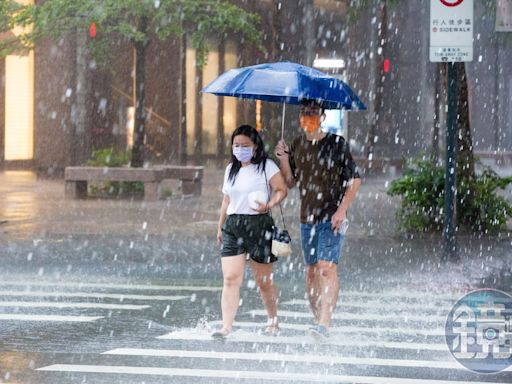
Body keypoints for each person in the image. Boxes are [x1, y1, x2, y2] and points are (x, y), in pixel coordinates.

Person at [274, 101, 361, 339]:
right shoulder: (298, 145)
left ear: (322, 116)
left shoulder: (336, 144)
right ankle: (318, 320)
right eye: (304, 113)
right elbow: (291, 182)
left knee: (326, 269)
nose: (308, 117)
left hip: (332, 217)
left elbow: (355, 179)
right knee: (312, 271)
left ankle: (325, 323)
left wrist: (342, 210)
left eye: (313, 113)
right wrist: (283, 158)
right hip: (307, 219)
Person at [212, 124, 288, 339]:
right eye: (236, 145)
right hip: (233, 226)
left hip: (259, 225)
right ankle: (226, 327)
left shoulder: (267, 166)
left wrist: (269, 204)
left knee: (263, 281)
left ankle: (273, 320)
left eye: (245, 145)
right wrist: (220, 226)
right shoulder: (231, 169)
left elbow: (282, 190)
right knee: (230, 278)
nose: (240, 149)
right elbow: (227, 200)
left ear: (255, 147)